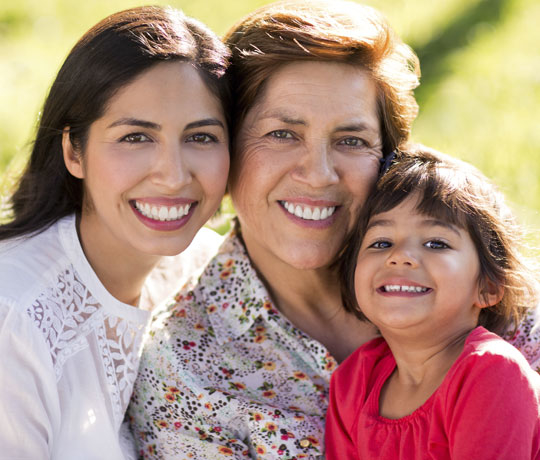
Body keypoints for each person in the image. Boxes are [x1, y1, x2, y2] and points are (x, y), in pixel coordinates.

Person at [128, 1, 540, 458]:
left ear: (388, 158)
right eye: (282, 133)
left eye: (351, 141)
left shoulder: (481, 281)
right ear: (224, 149)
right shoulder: (187, 368)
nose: (319, 174)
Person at [0, 6, 230, 459]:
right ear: (74, 151)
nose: (172, 175)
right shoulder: (14, 319)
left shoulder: (213, 272)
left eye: (200, 137)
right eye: (135, 137)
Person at [326, 147, 540, 459]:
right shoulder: (354, 381)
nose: (399, 256)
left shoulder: (492, 372)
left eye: (435, 243)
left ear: (488, 287)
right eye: (381, 242)